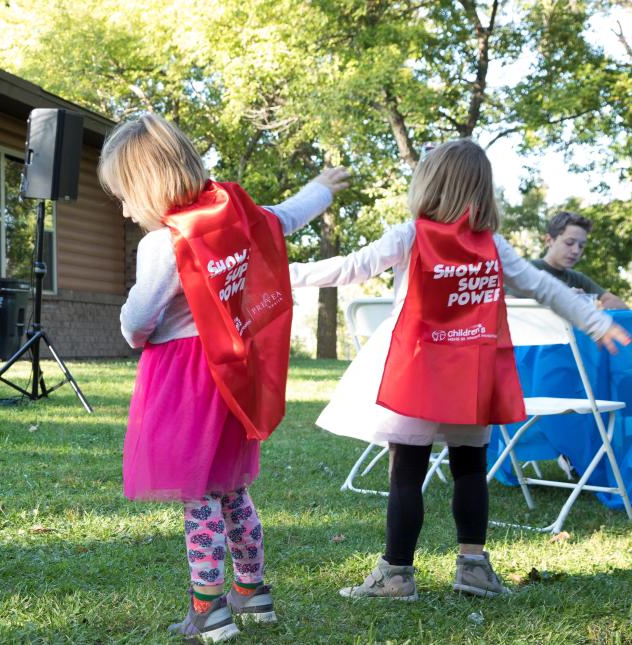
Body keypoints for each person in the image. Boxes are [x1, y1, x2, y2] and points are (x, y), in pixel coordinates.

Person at [290, 139, 629, 600]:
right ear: (483, 191)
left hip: (418, 373)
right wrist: (596, 321)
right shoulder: (493, 245)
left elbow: (350, 269)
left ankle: (396, 575)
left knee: (406, 472)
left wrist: (281, 271)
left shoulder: (410, 234)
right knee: (470, 468)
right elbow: (545, 288)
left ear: (428, 184)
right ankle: (472, 568)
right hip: (473, 373)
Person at [100, 113, 349, 641]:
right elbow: (285, 217)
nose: (124, 210)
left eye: (125, 195)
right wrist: (321, 189)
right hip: (233, 377)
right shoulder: (235, 217)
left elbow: (140, 318)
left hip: (184, 379)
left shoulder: (164, 242)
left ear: (148, 186)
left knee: (199, 496)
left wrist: (129, 331)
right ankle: (253, 592)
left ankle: (208, 610)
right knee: (232, 489)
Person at [527, 210, 628, 310]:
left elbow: (617, 303)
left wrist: (590, 305)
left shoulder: (577, 278)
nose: (576, 251)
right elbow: (511, 305)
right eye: (569, 243)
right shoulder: (526, 269)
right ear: (549, 240)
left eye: (581, 246)